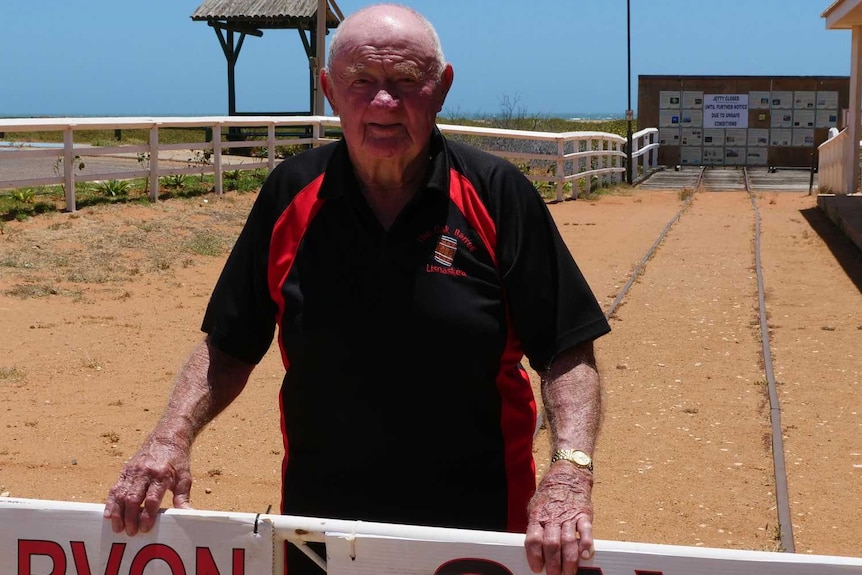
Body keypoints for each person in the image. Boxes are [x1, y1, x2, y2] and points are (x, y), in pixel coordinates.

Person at [103, 4, 610, 575]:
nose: (384, 103)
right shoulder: (291, 193)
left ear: (441, 88)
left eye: (405, 82)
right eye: (362, 81)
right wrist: (169, 439)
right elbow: (230, 343)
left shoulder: (498, 195)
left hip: (479, 526)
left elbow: (567, 348)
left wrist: (570, 470)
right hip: (320, 527)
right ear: (329, 90)